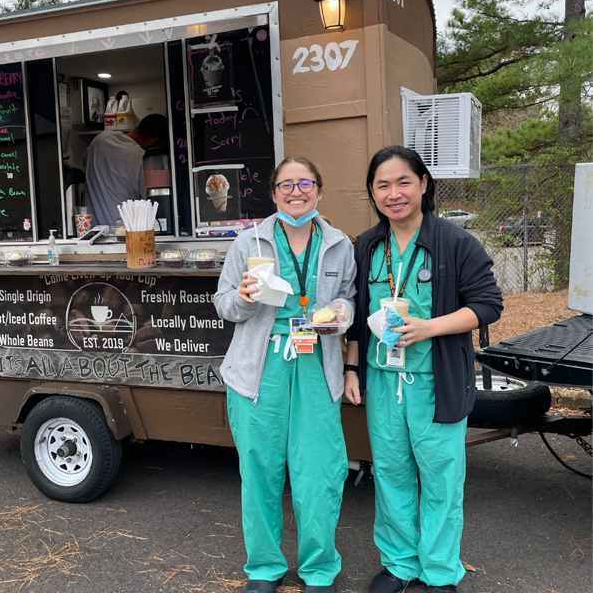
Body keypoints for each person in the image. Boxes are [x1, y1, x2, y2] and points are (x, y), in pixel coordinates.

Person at [344, 145, 502, 593]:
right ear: (372, 193)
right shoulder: (368, 246)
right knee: (391, 474)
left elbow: (488, 306)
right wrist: (352, 369)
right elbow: (358, 316)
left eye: (403, 182)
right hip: (382, 378)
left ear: (423, 184)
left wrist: (430, 327)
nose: (394, 194)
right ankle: (398, 563)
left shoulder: (454, 243)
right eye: (383, 185)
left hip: (437, 383)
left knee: (440, 480)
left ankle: (439, 571)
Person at [214, 156, 356, 593]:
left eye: (305, 183)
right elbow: (224, 305)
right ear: (273, 193)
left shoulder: (339, 244)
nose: (297, 192)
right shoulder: (248, 242)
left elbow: (349, 298)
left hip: (316, 363)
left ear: (319, 189)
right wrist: (243, 297)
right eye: (286, 185)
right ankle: (264, 567)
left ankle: (318, 568)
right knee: (260, 470)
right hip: (260, 369)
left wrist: (341, 314)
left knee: (319, 472)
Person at [82, 113, 168, 227]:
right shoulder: (142, 158)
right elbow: (149, 200)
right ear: (154, 141)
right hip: (122, 230)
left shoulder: (101, 139)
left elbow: (84, 161)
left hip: (91, 231)